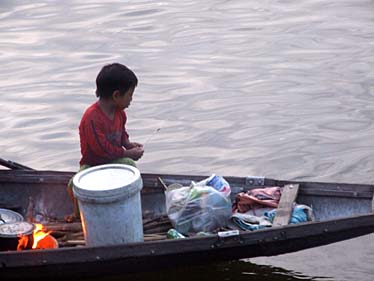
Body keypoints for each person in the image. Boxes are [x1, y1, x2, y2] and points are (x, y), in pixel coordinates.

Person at [66, 63, 144, 221]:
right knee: (74, 186)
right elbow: (102, 150)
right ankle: (79, 216)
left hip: (114, 160)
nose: (131, 99)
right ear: (116, 95)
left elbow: (121, 133)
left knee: (130, 165)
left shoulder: (120, 113)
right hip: (92, 165)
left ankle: (127, 205)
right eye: (129, 95)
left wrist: (128, 144)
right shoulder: (92, 118)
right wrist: (127, 153)